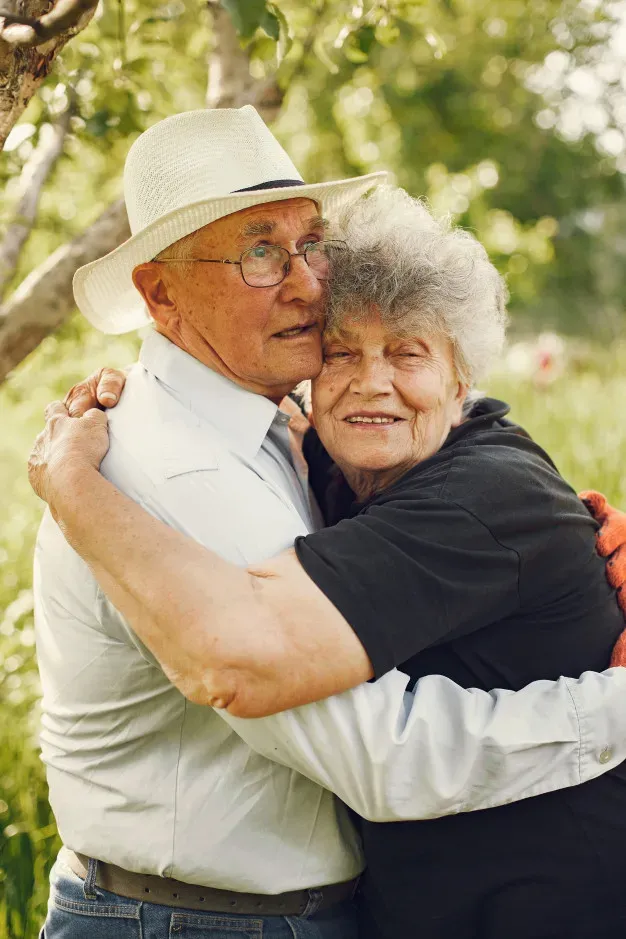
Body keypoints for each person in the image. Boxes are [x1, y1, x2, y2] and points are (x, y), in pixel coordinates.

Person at [31, 176, 626, 939]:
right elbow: (275, 683)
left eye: (308, 245)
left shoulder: (462, 490)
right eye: (259, 253)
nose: (304, 282)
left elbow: (265, 666)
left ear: (462, 380)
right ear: (160, 294)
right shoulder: (226, 453)